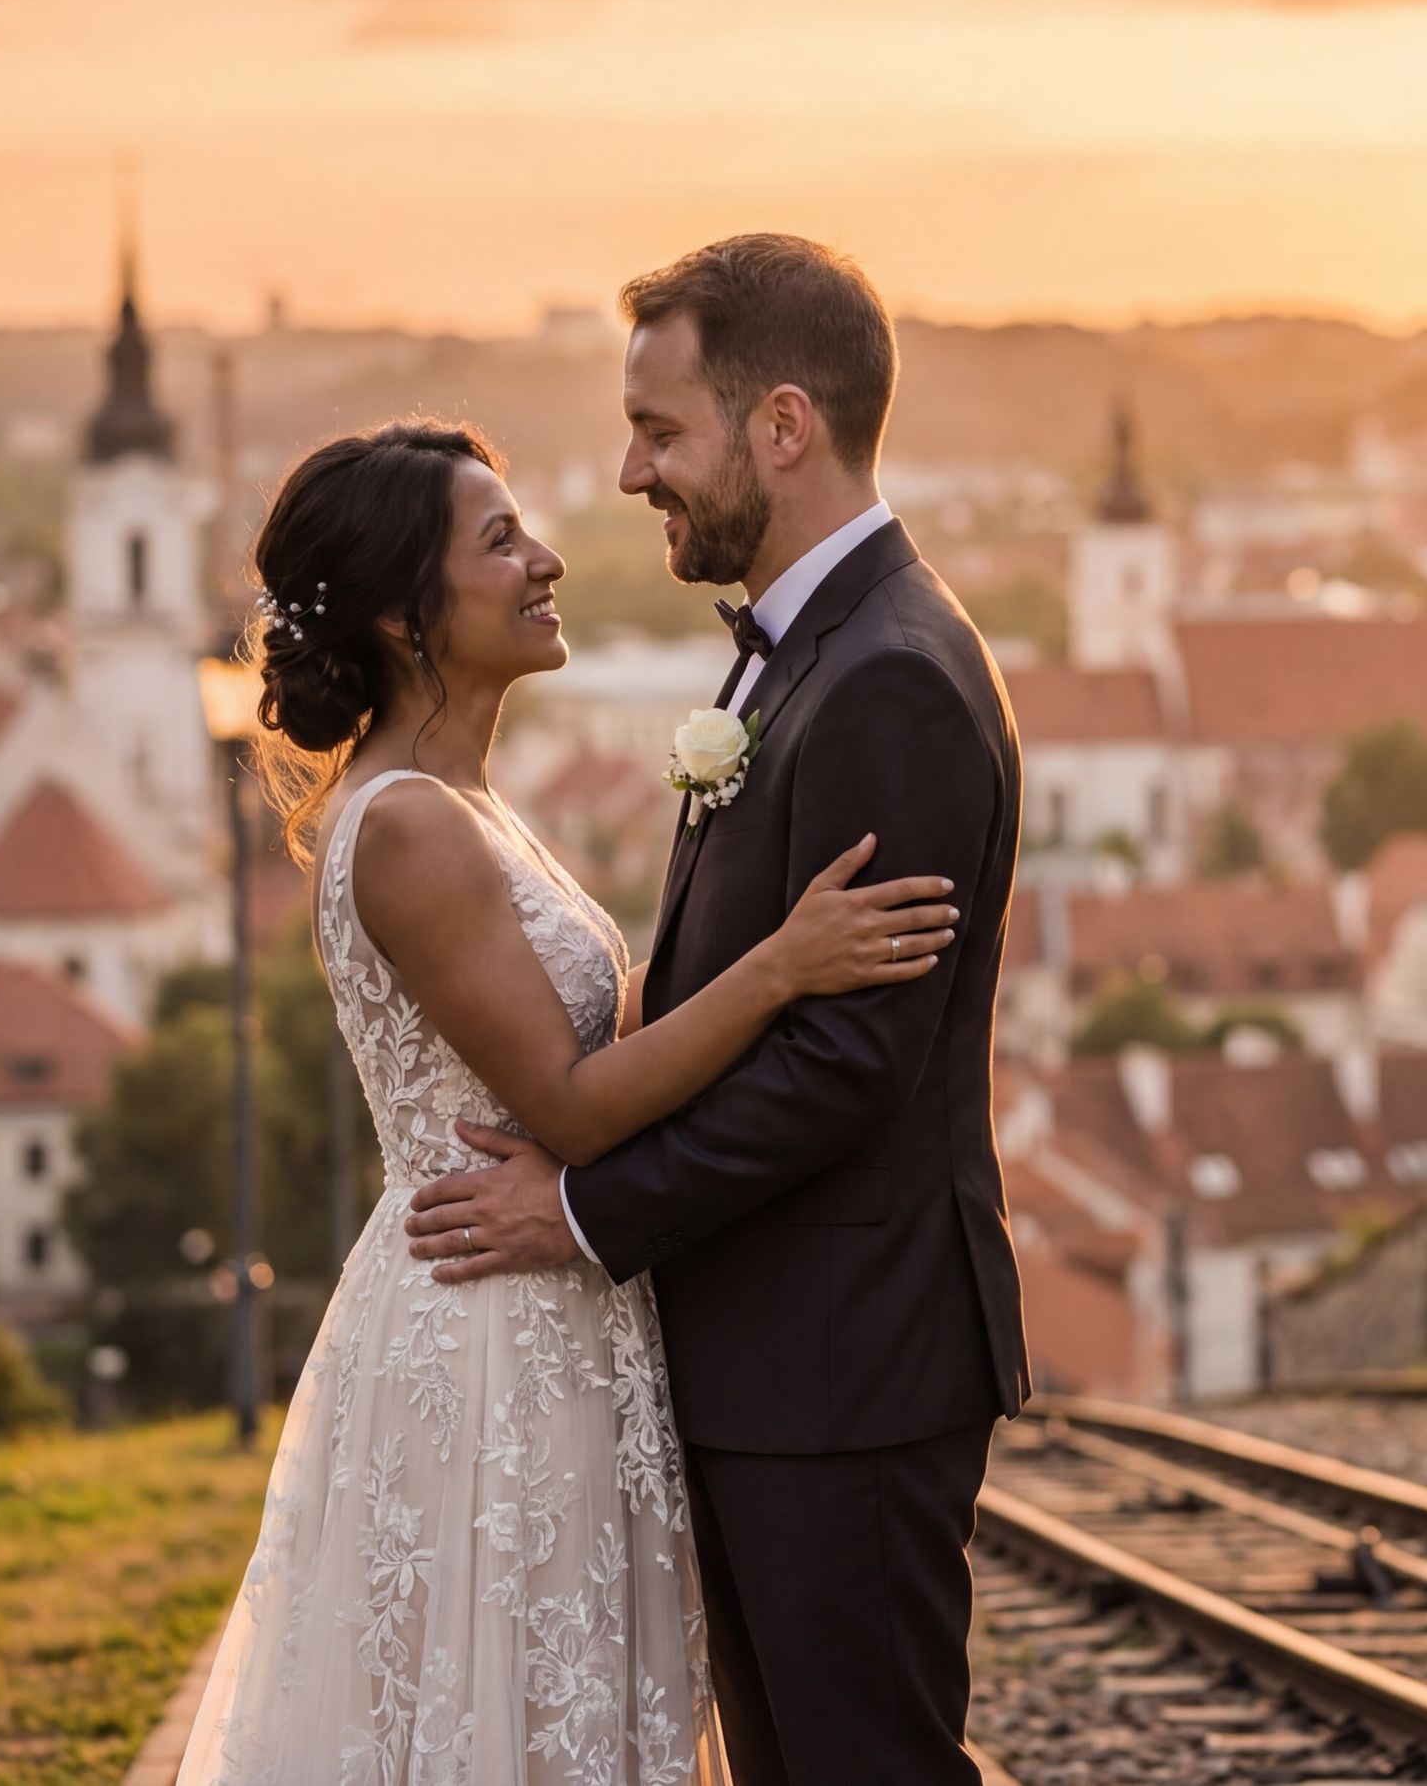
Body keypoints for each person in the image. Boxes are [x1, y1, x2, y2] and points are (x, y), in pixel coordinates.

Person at [175, 414, 962, 1785]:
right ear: (402, 616)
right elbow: (579, 1105)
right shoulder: (409, 823)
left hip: (545, 1303)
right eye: (500, 542)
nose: (546, 559)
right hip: (487, 1325)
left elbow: (592, 1031)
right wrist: (783, 966)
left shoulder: (466, 803)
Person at [402, 234, 1028, 1785]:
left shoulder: (889, 677)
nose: (632, 474)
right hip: (784, 1358)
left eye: (659, 431)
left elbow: (846, 1067)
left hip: (846, 1360)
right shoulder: (805, 654)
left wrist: (583, 1210)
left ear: (783, 425)